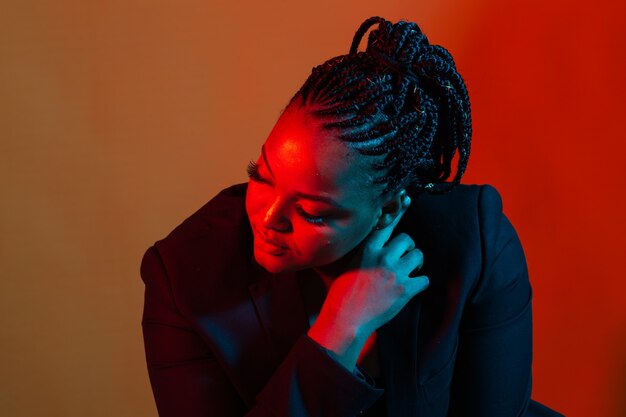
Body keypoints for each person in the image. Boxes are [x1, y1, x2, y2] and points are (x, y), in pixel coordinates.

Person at [140, 16, 563, 417]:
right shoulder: (181, 276)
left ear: (389, 209)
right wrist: (339, 331)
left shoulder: (473, 241)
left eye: (311, 211)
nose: (268, 218)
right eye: (261, 176)